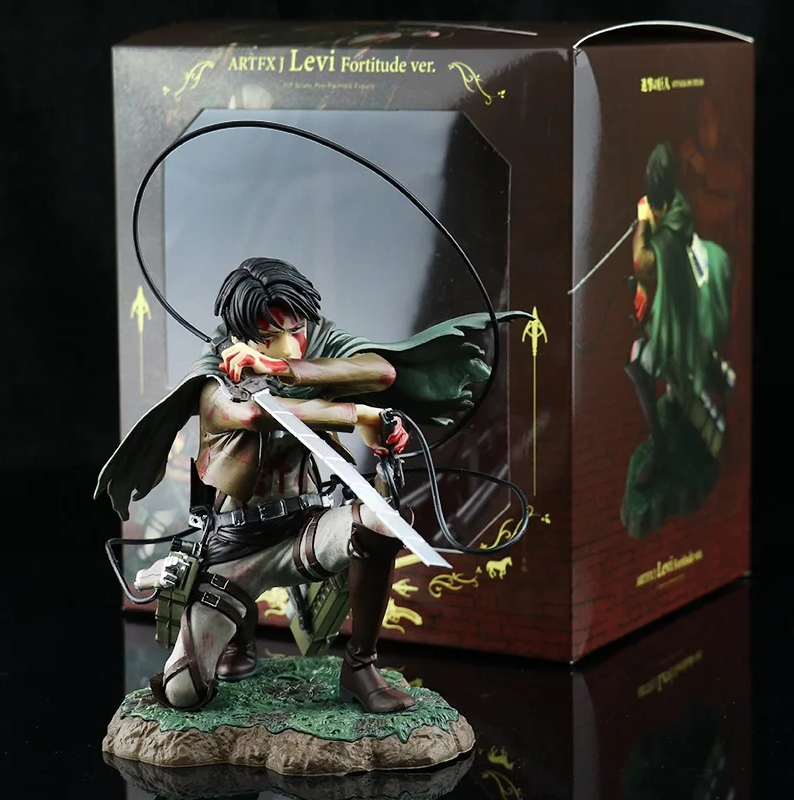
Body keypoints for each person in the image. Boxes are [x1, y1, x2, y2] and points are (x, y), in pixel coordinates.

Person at [96, 257, 529, 713]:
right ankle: (238, 635)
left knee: (383, 521)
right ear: (240, 334)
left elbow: (381, 371)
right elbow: (254, 414)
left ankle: (360, 666)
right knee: (183, 693)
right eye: (268, 337)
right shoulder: (214, 371)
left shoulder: (318, 342)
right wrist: (359, 415)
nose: (288, 346)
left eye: (294, 329)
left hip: (305, 528)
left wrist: (286, 370)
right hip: (235, 546)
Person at [628, 143, 732, 487]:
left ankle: (660, 450)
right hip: (673, 304)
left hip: (681, 318)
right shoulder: (674, 206)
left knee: (639, 361)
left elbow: (643, 263)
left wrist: (642, 223)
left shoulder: (674, 226)